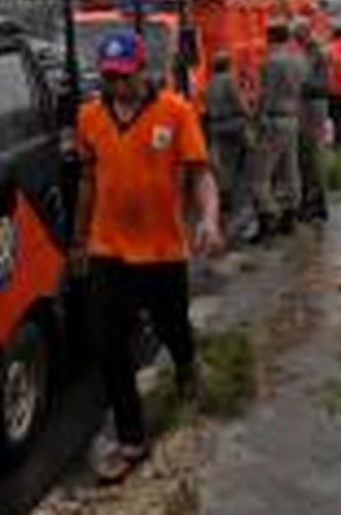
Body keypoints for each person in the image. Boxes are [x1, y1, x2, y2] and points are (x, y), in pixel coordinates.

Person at [74, 31, 224, 483]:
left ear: (143, 70)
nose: (117, 85)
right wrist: (78, 241)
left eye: (124, 76)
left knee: (172, 327)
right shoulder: (89, 117)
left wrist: (209, 219)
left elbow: (201, 174)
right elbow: (87, 180)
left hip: (162, 250)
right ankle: (131, 439)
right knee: (108, 344)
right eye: (109, 77)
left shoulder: (175, 112)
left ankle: (186, 366)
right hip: (108, 248)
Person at [249, 20, 307, 242]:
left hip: (273, 120)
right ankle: (290, 215)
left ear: (270, 38)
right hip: (293, 117)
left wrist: (256, 120)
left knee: (259, 175)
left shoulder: (271, 63)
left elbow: (267, 95)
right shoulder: (299, 60)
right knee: (290, 169)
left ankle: (267, 218)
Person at [203, 50, 254, 237]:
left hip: (217, 126)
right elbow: (239, 102)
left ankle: (225, 193)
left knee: (225, 161)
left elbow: (207, 107)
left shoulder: (209, 84)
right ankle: (238, 197)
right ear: (228, 64)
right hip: (234, 125)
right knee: (247, 155)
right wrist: (249, 113)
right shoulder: (229, 80)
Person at [294, 19, 330, 221]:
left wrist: (296, 84)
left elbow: (312, 81)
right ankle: (313, 202)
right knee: (307, 155)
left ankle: (315, 203)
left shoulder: (315, 53)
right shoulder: (310, 51)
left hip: (313, 105)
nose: (295, 39)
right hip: (311, 104)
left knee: (312, 155)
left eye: (297, 34)